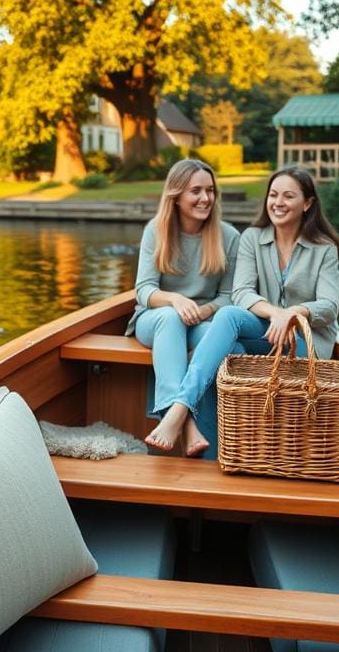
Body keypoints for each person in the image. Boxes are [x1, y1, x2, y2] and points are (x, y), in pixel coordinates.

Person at [152, 166, 339, 447]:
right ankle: (210, 441)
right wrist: (275, 313)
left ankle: (180, 410)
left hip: (303, 346)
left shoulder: (324, 249)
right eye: (273, 195)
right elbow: (240, 293)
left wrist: (292, 313)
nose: (278, 202)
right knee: (231, 339)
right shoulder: (252, 239)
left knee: (221, 342)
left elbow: (329, 306)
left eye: (288, 196)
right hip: (265, 334)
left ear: (307, 203)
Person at [126, 158, 240, 456]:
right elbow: (144, 290)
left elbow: (230, 296)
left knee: (230, 350)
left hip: (203, 322)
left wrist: (201, 311)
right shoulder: (156, 230)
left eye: (210, 191)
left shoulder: (228, 236)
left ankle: (216, 446)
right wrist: (175, 300)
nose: (205, 198)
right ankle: (186, 423)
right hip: (156, 319)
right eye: (196, 191)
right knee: (169, 318)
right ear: (176, 195)